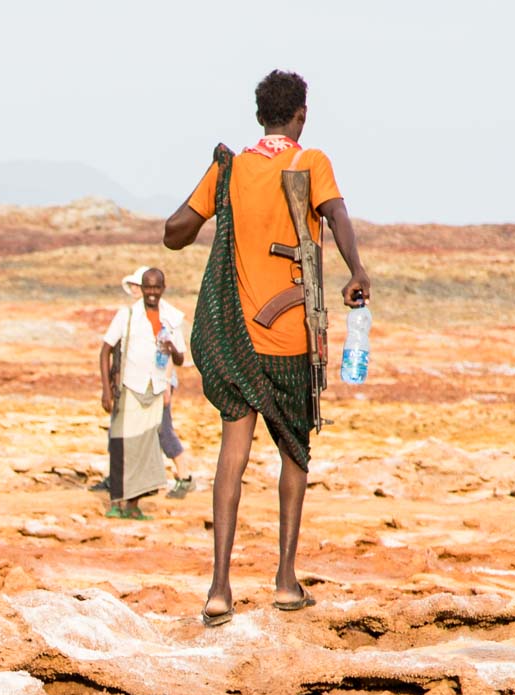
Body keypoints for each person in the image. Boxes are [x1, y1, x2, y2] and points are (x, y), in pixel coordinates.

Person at [163, 69, 370, 625]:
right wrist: (357, 270)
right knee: (294, 452)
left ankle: (219, 589)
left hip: (234, 337)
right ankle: (283, 580)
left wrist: (201, 201)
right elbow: (338, 215)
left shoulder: (229, 169)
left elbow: (175, 230)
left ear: (260, 115)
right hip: (289, 335)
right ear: (301, 114)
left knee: (233, 453)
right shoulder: (309, 161)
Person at [98, 267, 186, 520]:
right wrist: (106, 390)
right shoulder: (127, 315)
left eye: (156, 288)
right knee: (122, 444)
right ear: (142, 288)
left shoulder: (170, 318)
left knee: (147, 448)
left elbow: (180, 358)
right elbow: (105, 350)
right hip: (130, 386)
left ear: (163, 289)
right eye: (147, 287)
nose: (151, 293)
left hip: (155, 388)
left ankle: (134, 505)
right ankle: (117, 503)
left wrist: (171, 348)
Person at [121, 266, 195, 499]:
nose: (134, 289)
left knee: (162, 428)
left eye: (137, 285)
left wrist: (164, 383)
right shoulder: (138, 315)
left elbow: (169, 352)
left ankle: (184, 476)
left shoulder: (164, 317)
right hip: (143, 382)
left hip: (159, 381)